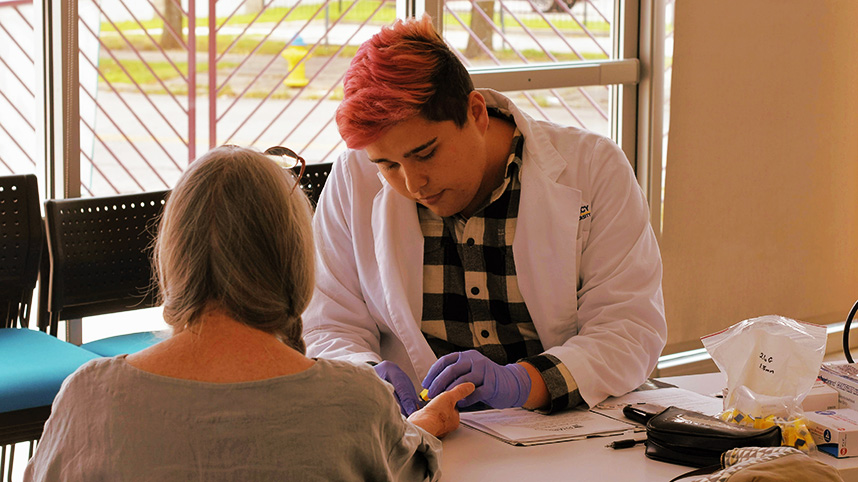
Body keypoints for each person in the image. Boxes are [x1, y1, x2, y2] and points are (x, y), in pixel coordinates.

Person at [24, 145, 473, 481]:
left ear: (172, 254)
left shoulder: (88, 399)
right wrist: (420, 428)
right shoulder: (357, 402)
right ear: (293, 255)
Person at [303, 15, 667, 416]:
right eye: (388, 165)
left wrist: (524, 381)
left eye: (425, 153)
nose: (413, 184)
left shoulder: (594, 167)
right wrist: (364, 377)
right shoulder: (354, 177)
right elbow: (328, 324)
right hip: (416, 432)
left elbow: (628, 329)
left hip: (559, 424)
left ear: (476, 113)